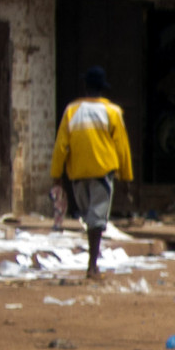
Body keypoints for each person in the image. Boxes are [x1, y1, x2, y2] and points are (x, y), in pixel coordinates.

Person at [51, 66, 134, 279]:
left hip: (77, 173)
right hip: (102, 171)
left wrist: (56, 174)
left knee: (89, 218)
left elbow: (61, 145)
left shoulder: (72, 110)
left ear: (85, 86)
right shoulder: (112, 112)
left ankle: (92, 263)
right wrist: (126, 177)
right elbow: (122, 147)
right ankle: (92, 266)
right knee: (97, 220)